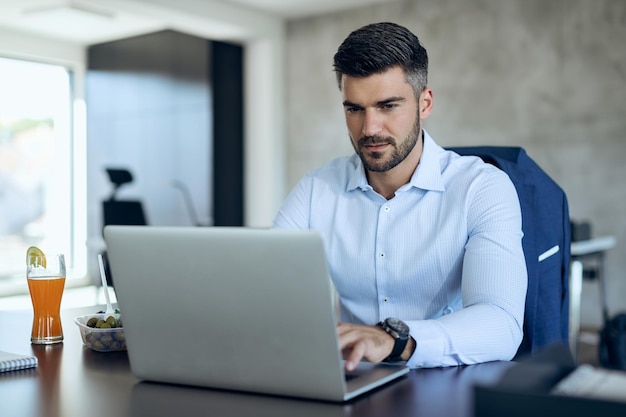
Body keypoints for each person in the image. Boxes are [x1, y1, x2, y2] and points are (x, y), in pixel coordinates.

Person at [273, 22, 527, 369]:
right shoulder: (317, 189)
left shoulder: (481, 188)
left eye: (388, 106)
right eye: (354, 109)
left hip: (448, 379)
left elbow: (501, 324)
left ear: (425, 103)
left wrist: (396, 340)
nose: (369, 128)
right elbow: (265, 291)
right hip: (354, 376)